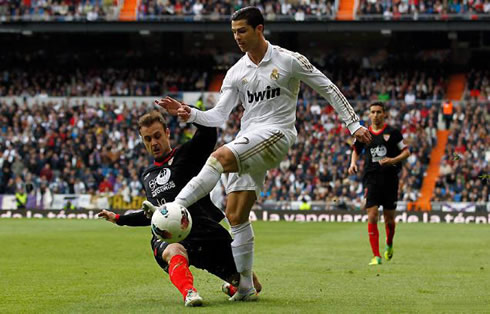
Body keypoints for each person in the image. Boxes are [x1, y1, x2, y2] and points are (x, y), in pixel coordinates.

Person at [156, 6, 372, 300]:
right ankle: (245, 286)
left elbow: (328, 88)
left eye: (242, 31)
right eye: (233, 32)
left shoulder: (288, 60)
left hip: (277, 134)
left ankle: (173, 209)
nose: (237, 37)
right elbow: (219, 116)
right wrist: (190, 113)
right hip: (248, 139)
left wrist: (353, 123)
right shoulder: (236, 72)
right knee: (235, 215)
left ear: (259, 29)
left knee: (217, 158)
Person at [98, 111, 261, 307]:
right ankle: (189, 292)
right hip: (171, 235)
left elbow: (208, 132)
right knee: (173, 250)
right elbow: (157, 215)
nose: (154, 143)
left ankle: (233, 285)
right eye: (148, 139)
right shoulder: (148, 175)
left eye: (157, 136)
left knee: (252, 285)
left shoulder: (188, 154)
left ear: (167, 133)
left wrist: (187, 112)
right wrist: (119, 218)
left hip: (205, 232)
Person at [348, 102, 410, 265]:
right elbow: (355, 150)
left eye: (378, 112)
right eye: (372, 112)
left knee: (389, 220)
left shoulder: (393, 133)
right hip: (371, 179)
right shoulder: (364, 133)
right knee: (372, 215)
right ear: (369, 115)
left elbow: (406, 152)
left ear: (385, 114)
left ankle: (389, 244)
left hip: (390, 179)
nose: (375, 115)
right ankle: (376, 256)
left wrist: (392, 160)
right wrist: (352, 163)